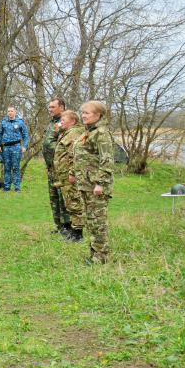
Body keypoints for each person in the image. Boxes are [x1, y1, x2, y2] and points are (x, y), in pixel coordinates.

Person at [71, 101, 115, 265]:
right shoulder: (88, 132)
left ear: (98, 115)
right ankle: (94, 253)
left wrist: (100, 184)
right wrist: (73, 173)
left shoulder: (102, 133)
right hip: (85, 184)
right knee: (90, 221)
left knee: (98, 222)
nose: (83, 116)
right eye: (82, 113)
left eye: (87, 113)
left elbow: (107, 161)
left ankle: (101, 257)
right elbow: (81, 157)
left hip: (96, 187)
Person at [53, 110, 85, 242]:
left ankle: (78, 234)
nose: (61, 123)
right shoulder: (67, 132)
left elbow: (75, 156)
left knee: (74, 202)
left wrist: (72, 173)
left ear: (72, 121)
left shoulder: (74, 133)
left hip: (71, 177)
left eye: (63, 120)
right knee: (70, 203)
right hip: (65, 176)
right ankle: (73, 230)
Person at [43, 97, 71, 233]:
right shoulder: (53, 122)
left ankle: (68, 226)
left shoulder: (66, 121)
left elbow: (67, 143)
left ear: (61, 107)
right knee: (53, 197)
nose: (50, 109)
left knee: (62, 197)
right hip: (51, 167)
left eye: (53, 107)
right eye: (50, 107)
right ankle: (59, 226)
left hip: (61, 167)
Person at [0, 106, 29, 192]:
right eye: (8, 111)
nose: (10, 112)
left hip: (16, 147)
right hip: (5, 147)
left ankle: (17, 188)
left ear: (15, 112)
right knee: (7, 168)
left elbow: (25, 135)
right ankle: (7, 187)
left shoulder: (20, 122)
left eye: (11, 111)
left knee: (16, 167)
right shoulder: (3, 122)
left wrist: (25, 146)